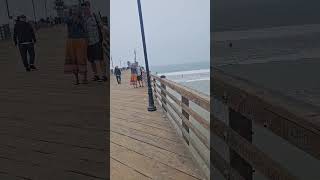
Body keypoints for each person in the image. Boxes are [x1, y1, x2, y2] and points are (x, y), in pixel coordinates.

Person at [83, 2, 107, 82]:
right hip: (88, 43)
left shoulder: (95, 16)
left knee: (100, 59)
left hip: (97, 41)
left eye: (86, 7)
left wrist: (103, 39)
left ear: (89, 7)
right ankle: (96, 75)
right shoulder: (83, 19)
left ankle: (104, 75)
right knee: (91, 60)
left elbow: (102, 27)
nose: (85, 9)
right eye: (84, 8)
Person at [64, 7, 88, 85]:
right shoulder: (69, 18)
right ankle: (77, 79)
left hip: (80, 40)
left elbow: (84, 28)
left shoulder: (81, 19)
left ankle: (84, 78)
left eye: (76, 10)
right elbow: (66, 21)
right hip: (71, 41)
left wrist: (78, 20)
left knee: (82, 60)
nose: (74, 12)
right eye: (73, 10)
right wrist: (69, 15)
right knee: (73, 60)